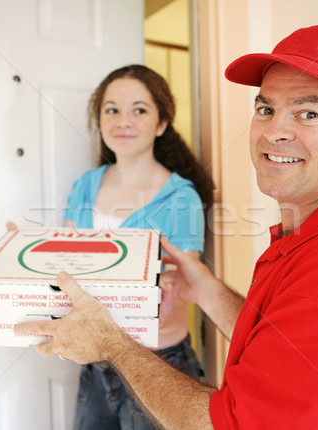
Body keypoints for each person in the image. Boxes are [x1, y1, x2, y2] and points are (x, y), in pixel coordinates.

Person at [16, 25, 318, 429]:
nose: (275, 131)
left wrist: (111, 343)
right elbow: (280, 347)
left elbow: (227, 424)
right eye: (266, 109)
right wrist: (210, 292)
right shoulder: (313, 235)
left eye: (308, 112)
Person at [61, 64, 214, 429]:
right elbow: (65, 260)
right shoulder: (85, 185)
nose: (123, 120)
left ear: (161, 124)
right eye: (111, 109)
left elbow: (172, 292)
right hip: (96, 360)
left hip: (159, 364)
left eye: (139, 110)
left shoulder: (181, 198)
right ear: (99, 120)